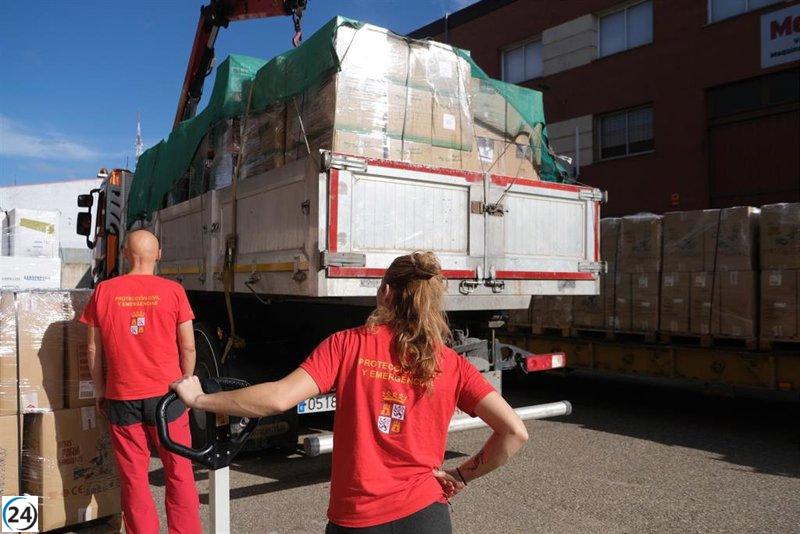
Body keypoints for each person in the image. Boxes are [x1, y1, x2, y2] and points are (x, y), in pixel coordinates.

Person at [171, 251, 529, 533]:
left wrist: (200, 398)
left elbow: (277, 398)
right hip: (427, 516)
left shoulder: (347, 345)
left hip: (358, 519)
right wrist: (462, 475)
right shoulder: (451, 363)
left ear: (385, 292)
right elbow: (514, 432)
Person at [81, 229, 202, 534]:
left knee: (133, 477)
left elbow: (93, 349)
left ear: (124, 254)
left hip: (122, 396)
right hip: (169, 396)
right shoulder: (174, 291)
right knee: (179, 471)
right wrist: (186, 386)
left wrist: (100, 390)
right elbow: (188, 347)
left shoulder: (104, 291)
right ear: (159, 255)